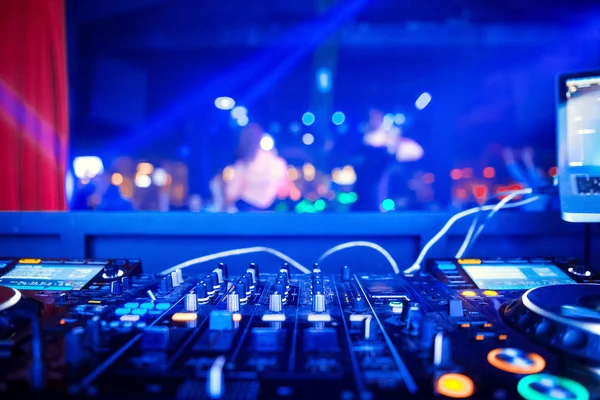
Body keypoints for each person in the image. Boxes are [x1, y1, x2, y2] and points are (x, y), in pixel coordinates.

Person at [354, 109, 424, 211]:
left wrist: (394, 142)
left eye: (377, 116)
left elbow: (416, 152)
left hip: (387, 172)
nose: (376, 119)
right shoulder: (368, 138)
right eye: (372, 117)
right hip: (370, 179)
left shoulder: (391, 135)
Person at [225, 123, 290, 211]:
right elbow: (283, 188)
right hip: (269, 211)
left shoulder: (242, 165)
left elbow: (231, 193)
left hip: (248, 211)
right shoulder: (277, 162)